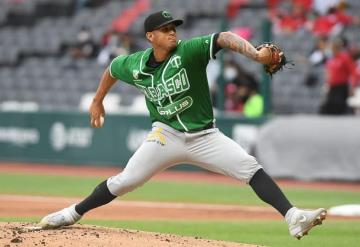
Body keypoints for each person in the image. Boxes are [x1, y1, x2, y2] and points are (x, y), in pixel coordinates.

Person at [39, 10, 326, 239]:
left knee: (250, 168)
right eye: (165, 29)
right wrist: (97, 100)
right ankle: (72, 213)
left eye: (174, 27)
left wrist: (253, 54)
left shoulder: (188, 51)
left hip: (205, 136)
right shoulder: (135, 64)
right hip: (165, 135)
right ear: (150, 36)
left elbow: (224, 37)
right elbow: (112, 68)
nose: (172, 31)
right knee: (125, 181)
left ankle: (293, 217)